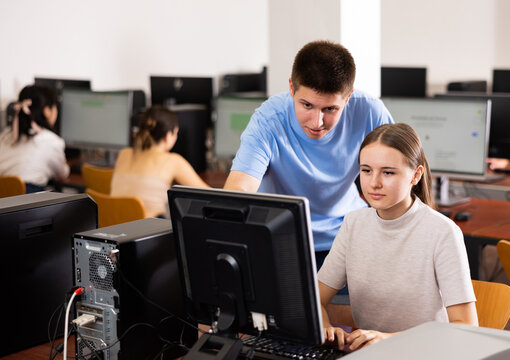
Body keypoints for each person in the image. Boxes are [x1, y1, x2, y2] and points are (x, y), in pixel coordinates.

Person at [224, 40, 393, 264]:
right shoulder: (268, 119)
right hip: (282, 241)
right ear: (291, 89)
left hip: (348, 239)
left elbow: (400, 175)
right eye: (307, 105)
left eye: (330, 109)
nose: (317, 122)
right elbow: (239, 188)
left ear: (348, 97)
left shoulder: (370, 112)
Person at [318, 123, 478, 351]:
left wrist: (389, 339)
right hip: (370, 354)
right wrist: (326, 328)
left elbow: (466, 326)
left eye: (388, 172)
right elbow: (315, 297)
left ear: (416, 175)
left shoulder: (442, 232)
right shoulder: (354, 223)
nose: (374, 183)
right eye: (366, 170)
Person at [110, 105, 210, 218]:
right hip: (148, 232)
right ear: (168, 136)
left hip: (115, 230)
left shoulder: (124, 154)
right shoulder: (172, 161)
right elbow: (211, 196)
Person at [0, 84, 69, 193]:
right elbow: (61, 173)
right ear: (47, 111)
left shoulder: (7, 134)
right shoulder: (50, 140)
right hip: (27, 200)